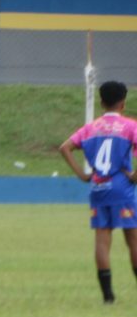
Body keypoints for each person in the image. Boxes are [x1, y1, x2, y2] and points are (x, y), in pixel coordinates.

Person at [60, 80, 137, 303]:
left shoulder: (90, 128)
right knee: (133, 239)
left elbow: (65, 147)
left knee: (102, 241)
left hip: (98, 187)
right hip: (122, 188)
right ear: (123, 103)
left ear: (101, 103)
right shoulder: (130, 126)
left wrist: (82, 175)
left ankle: (108, 297)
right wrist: (135, 175)